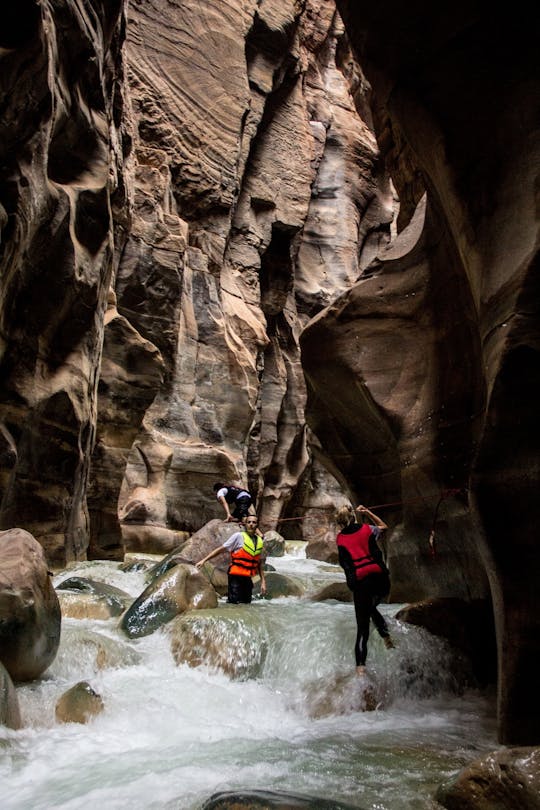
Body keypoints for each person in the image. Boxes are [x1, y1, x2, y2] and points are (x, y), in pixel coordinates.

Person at [335, 503, 394, 676]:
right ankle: (387, 639)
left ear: (340, 522)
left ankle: (360, 671)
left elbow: (345, 563)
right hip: (380, 579)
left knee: (362, 628)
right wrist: (367, 512)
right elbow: (384, 527)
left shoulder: (340, 539)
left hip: (360, 582)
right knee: (371, 608)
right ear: (353, 517)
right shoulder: (368, 529)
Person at [196, 515, 267, 604]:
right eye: (249, 522)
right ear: (245, 524)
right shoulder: (238, 536)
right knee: (234, 603)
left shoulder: (259, 541)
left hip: (247, 577)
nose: (251, 524)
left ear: (257, 525)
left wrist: (263, 581)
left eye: (254, 522)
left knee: (247, 603)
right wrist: (204, 560)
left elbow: (258, 562)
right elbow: (221, 549)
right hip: (235, 575)